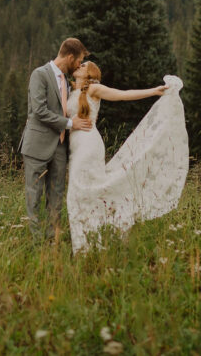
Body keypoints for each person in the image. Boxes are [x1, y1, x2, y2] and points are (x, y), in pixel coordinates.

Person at [66, 61, 188, 253]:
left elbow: (122, 95)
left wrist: (153, 91)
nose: (78, 66)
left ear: (89, 74)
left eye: (83, 66)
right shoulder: (71, 91)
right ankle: (93, 240)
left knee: (79, 193)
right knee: (83, 192)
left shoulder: (94, 89)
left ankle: (86, 245)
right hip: (76, 146)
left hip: (88, 145)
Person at [19, 38, 93, 242]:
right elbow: (39, 111)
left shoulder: (69, 83)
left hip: (60, 147)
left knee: (56, 197)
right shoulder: (39, 75)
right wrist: (70, 124)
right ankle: (36, 244)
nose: (79, 66)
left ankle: (52, 240)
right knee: (34, 197)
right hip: (37, 146)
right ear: (70, 57)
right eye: (78, 61)